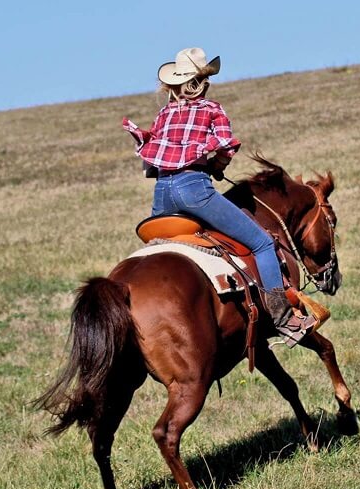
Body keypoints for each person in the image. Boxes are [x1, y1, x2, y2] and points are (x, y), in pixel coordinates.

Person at [123, 48, 315, 341]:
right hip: (194, 190)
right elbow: (225, 147)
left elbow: (151, 160)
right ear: (204, 81)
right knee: (262, 244)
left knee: (161, 248)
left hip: (161, 194)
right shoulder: (212, 109)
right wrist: (215, 165)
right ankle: (283, 317)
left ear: (173, 84)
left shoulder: (163, 114)